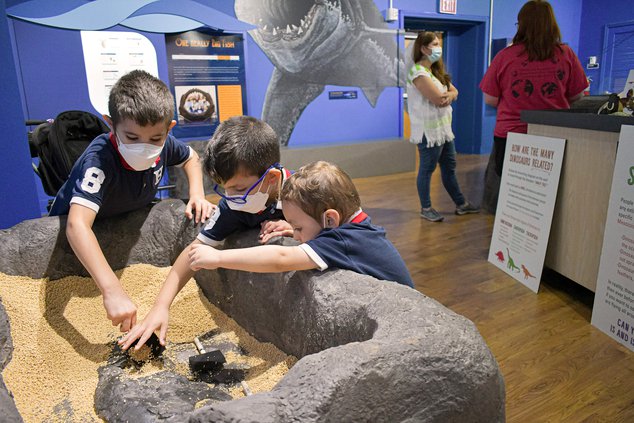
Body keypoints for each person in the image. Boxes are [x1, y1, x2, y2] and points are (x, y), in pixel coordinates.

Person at [48, 70, 214, 332]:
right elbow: (77, 226)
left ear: (168, 128)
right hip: (85, 240)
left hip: (127, 221)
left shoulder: (166, 144)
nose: (145, 146)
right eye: (132, 138)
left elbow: (191, 157)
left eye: (155, 138)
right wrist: (112, 290)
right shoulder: (98, 161)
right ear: (111, 124)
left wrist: (197, 194)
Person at [119, 115, 295, 350]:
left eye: (239, 188)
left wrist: (298, 229)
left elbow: (342, 230)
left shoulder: (302, 194)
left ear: (271, 178)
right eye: (225, 188)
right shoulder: (232, 205)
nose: (231, 197)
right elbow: (194, 252)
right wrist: (160, 306)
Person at [479, 0, 588, 213]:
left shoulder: (505, 56)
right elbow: (578, 95)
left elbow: (490, 99)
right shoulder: (566, 54)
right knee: (545, 195)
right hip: (554, 134)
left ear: (521, 24)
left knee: (508, 194)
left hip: (511, 134)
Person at [406, 31, 479, 222]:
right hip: (428, 132)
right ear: (423, 48)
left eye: (439, 44)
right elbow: (439, 99)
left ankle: (461, 204)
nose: (438, 48)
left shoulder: (436, 72)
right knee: (427, 169)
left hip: (444, 130)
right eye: (435, 45)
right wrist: (448, 96)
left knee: (449, 167)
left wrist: (450, 95)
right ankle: (426, 208)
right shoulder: (418, 72)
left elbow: (454, 91)